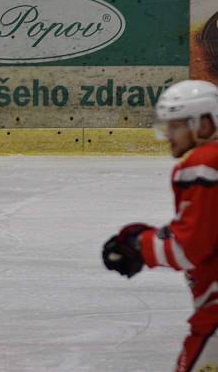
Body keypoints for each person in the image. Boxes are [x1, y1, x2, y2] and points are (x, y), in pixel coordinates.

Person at [102, 79, 218, 371]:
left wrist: (137, 246)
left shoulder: (203, 164)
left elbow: (188, 248)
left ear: (203, 124)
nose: (168, 135)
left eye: (176, 126)